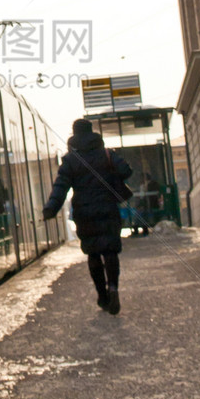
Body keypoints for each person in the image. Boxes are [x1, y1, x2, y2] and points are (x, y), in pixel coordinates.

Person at [43, 118, 132, 315]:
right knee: (110, 251)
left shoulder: (70, 160)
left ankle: (102, 296)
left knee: (93, 254)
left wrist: (51, 208)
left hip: (84, 213)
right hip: (108, 209)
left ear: (74, 135)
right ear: (92, 133)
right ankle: (114, 288)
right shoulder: (106, 154)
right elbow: (126, 170)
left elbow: (61, 187)